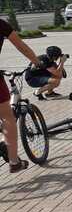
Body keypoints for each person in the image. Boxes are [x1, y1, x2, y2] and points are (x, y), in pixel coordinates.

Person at [0, 18, 40, 172]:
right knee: (7, 117)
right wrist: (36, 61)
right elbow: (21, 46)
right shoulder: (1, 24)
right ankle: (14, 161)